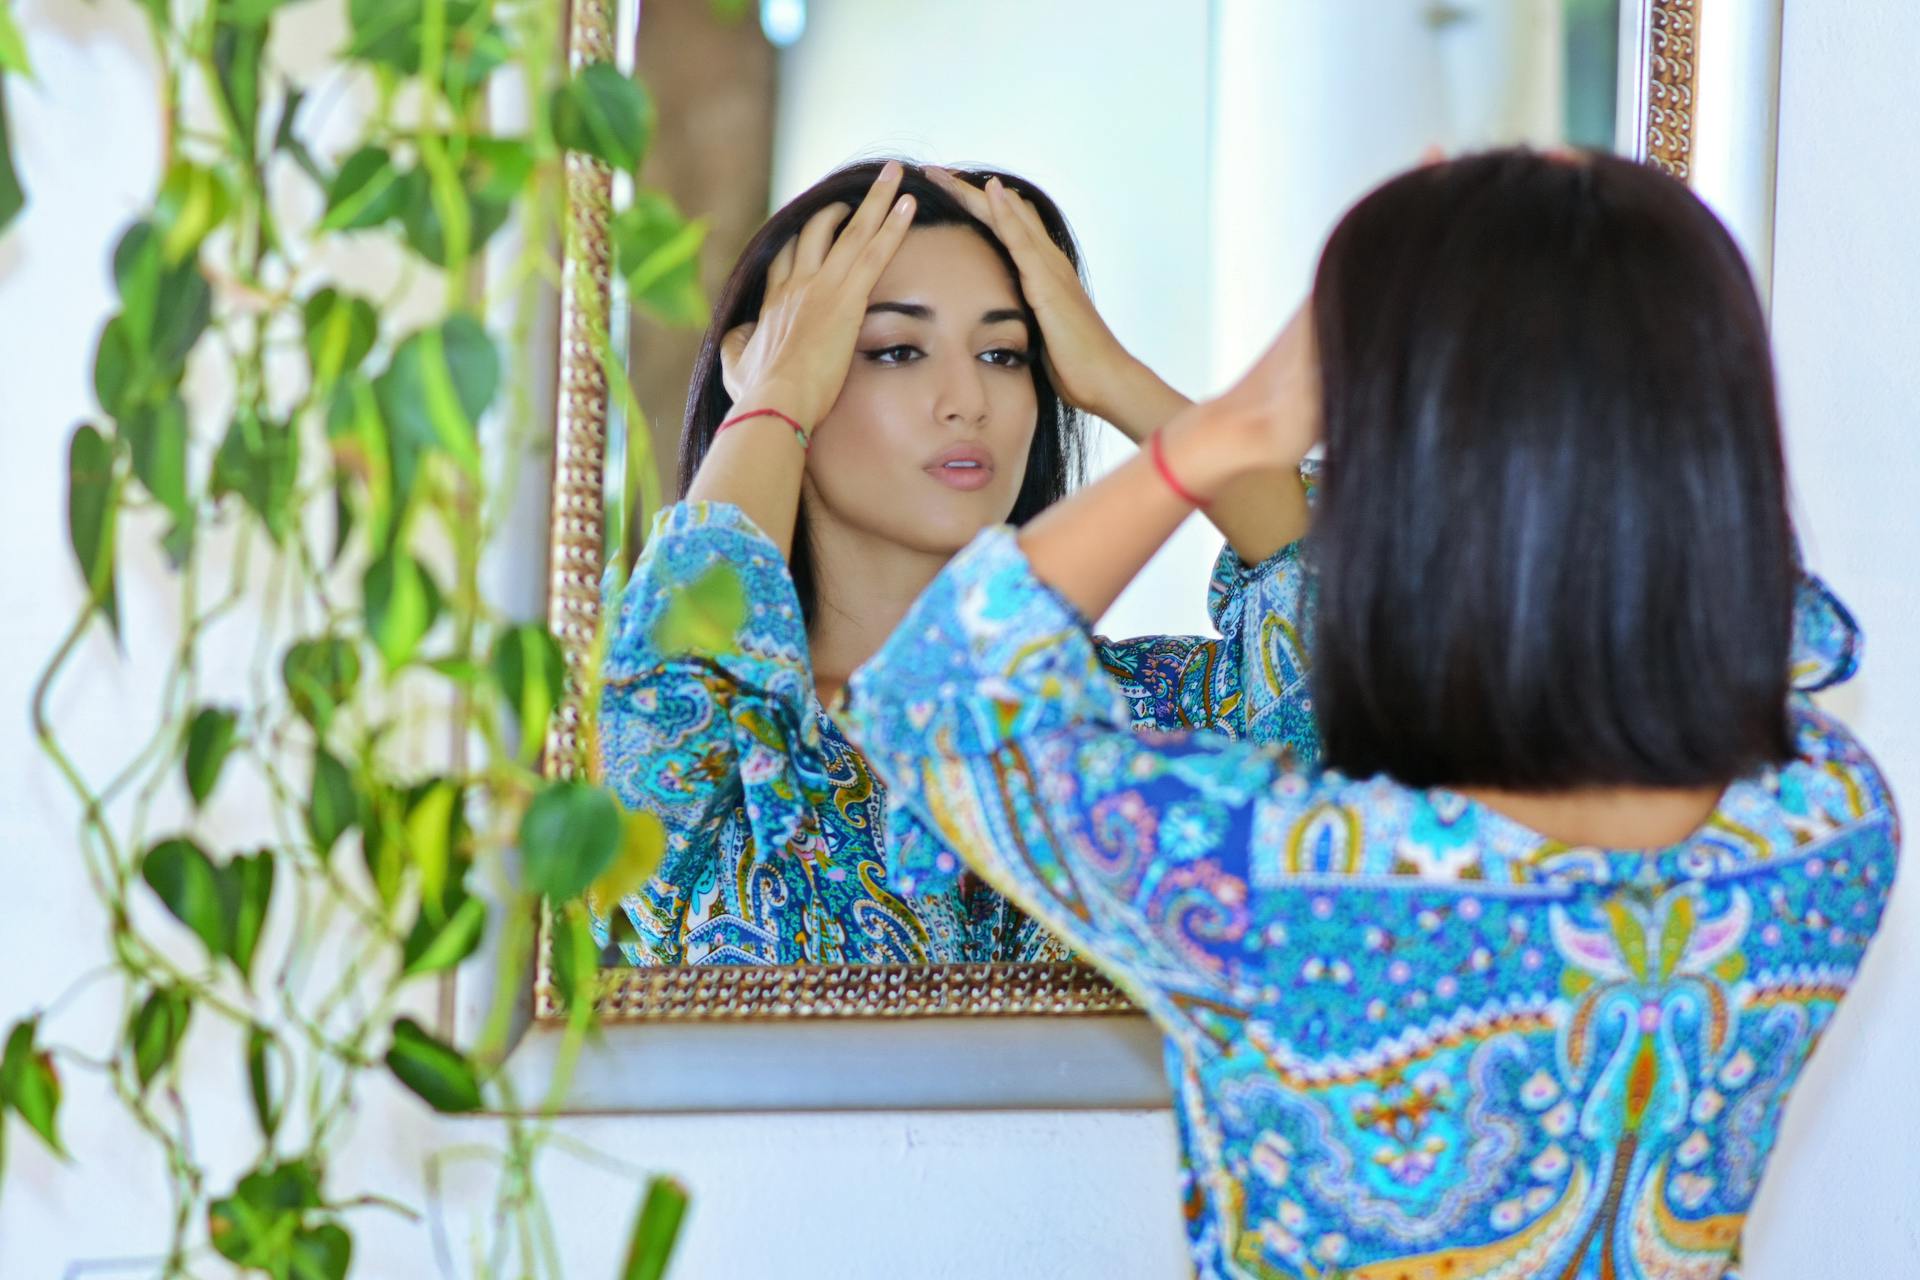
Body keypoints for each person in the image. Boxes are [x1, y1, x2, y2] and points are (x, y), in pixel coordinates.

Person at [847, 149, 1896, 1278]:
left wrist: (1220, 430)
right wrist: (1598, 265)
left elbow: (937, 691)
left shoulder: (1286, 874)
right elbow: (1790, 624)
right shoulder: (1826, 824)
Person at [594, 159, 1314, 965]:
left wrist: (1115, 377)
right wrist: (776, 396)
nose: (967, 399)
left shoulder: (1148, 716)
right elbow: (660, 720)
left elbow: (1352, 637)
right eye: (898, 350)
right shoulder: (739, 757)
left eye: (1005, 355)